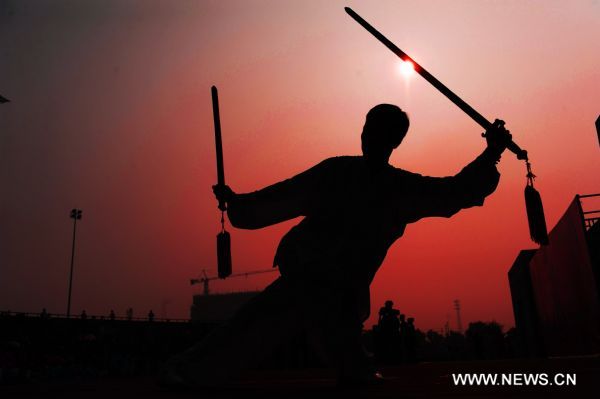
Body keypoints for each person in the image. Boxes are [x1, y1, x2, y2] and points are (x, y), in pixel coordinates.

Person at [162, 104, 511, 388]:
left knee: (323, 344)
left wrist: (491, 153)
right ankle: (188, 370)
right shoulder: (350, 176)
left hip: (340, 291)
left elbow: (453, 192)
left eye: (373, 130)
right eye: (366, 128)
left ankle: (190, 370)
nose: (366, 136)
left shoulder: (395, 187)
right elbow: (283, 195)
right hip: (311, 277)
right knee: (256, 324)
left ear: (391, 140)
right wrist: (239, 202)